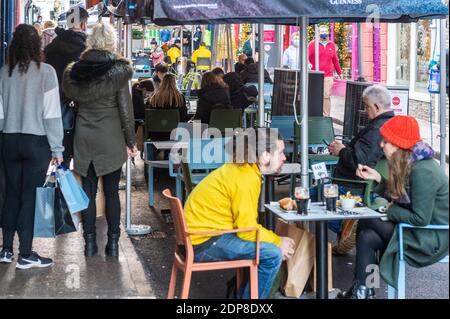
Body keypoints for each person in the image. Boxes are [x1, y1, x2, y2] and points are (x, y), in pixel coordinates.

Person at [337, 116, 449, 299]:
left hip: (431, 239)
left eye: (386, 141)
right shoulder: (414, 163)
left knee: (369, 219)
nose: (381, 145)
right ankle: (364, 290)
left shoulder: (423, 170)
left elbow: (420, 218)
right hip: (417, 232)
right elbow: (406, 198)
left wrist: (389, 211)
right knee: (367, 237)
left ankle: (363, 290)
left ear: (399, 144)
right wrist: (378, 179)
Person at [184, 128, 295, 299]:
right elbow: (247, 230)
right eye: (279, 152)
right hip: (205, 242)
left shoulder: (241, 168)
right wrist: (278, 241)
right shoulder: (247, 178)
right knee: (272, 254)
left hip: (200, 237)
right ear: (265, 156)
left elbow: (244, 228)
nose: (284, 157)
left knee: (265, 248)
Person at [62, 22, 138, 258]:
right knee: (112, 192)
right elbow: (126, 111)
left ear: (90, 42)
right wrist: (131, 141)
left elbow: (69, 98)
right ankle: (113, 243)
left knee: (89, 190)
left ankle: (89, 243)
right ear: (110, 42)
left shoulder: (76, 71)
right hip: (111, 137)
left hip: (84, 137)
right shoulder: (118, 71)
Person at [0, 24, 64, 269]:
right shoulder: (46, 72)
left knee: (11, 195)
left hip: (9, 140)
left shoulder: (4, 72)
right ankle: (25, 254)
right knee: (29, 196)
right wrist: (57, 149)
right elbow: (51, 114)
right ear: (37, 45)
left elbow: (1, 115)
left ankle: (6, 250)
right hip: (36, 142)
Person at [45, 6, 89, 167]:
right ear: (84, 25)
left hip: (54, 107)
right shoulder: (86, 50)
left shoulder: (52, 47)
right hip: (81, 108)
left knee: (61, 159)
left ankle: (60, 189)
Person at [308, 25, 342, 117]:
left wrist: (339, 72)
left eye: (325, 31)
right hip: (315, 75)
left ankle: (326, 116)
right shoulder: (312, 44)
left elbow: (335, 60)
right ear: (318, 33)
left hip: (328, 75)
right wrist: (308, 63)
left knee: (326, 96)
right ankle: (315, 114)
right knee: (315, 95)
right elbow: (306, 57)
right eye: (322, 31)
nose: (324, 33)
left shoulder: (331, 45)